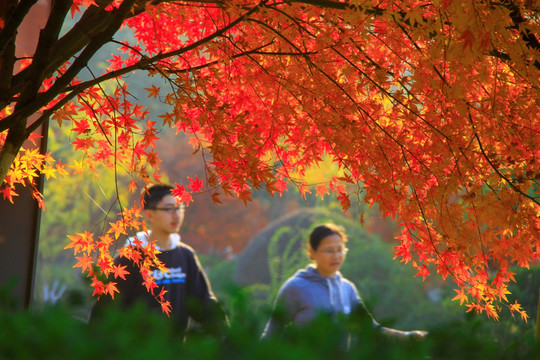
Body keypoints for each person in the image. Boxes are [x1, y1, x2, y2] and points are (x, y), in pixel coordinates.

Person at [90, 184, 228, 339]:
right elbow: (105, 312)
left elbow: (204, 303)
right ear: (149, 215)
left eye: (179, 208)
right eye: (169, 209)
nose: (176, 215)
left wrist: (227, 335)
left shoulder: (185, 255)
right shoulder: (130, 258)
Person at [261, 222, 427, 341]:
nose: (336, 256)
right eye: (329, 251)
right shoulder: (296, 287)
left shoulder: (348, 289)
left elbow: (370, 329)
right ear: (312, 252)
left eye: (340, 250)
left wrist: (408, 336)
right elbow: (271, 334)